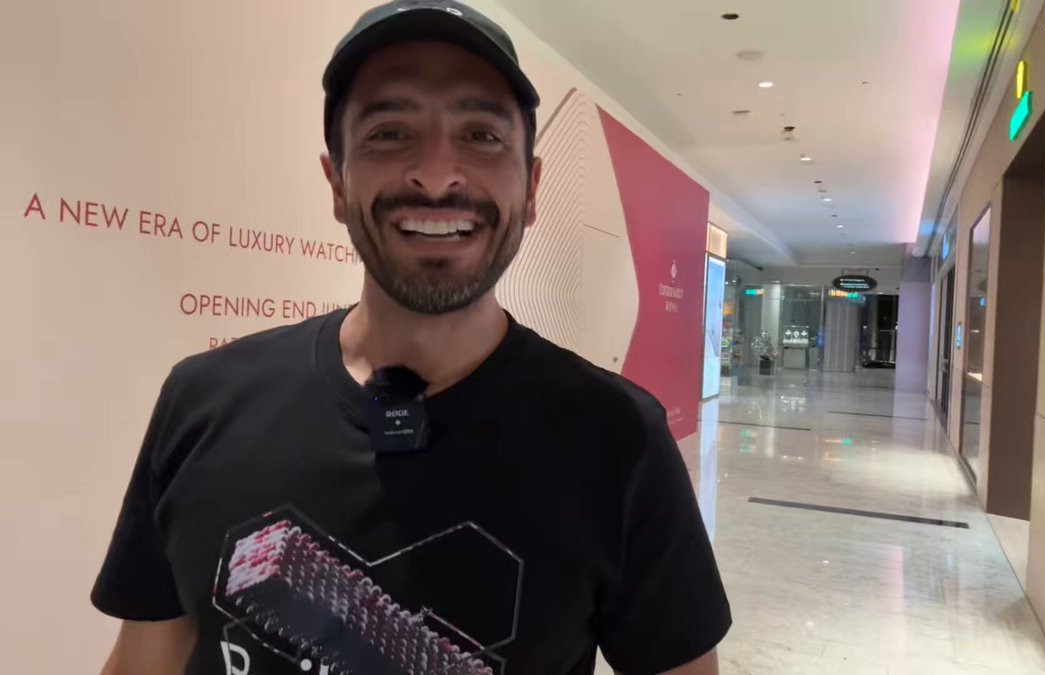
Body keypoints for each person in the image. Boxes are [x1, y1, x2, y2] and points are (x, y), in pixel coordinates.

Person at [91, 1, 731, 673]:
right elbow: (145, 658)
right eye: (390, 132)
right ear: (336, 183)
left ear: (532, 188)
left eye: (481, 134)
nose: (436, 174)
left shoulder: (618, 438)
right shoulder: (203, 401)